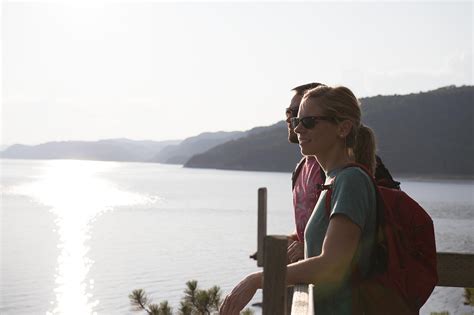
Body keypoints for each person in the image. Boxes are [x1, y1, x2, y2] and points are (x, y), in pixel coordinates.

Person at [220, 85, 379, 314]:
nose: (298, 129)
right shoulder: (333, 180)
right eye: (296, 121)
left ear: (343, 128)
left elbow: (332, 264)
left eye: (309, 121)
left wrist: (256, 280)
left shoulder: (350, 181)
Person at [285, 83, 325, 264]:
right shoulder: (302, 167)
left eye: (298, 113)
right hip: (312, 280)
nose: (291, 119)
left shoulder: (341, 168)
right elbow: (312, 226)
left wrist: (308, 248)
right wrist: (293, 239)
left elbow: (356, 235)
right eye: (289, 113)